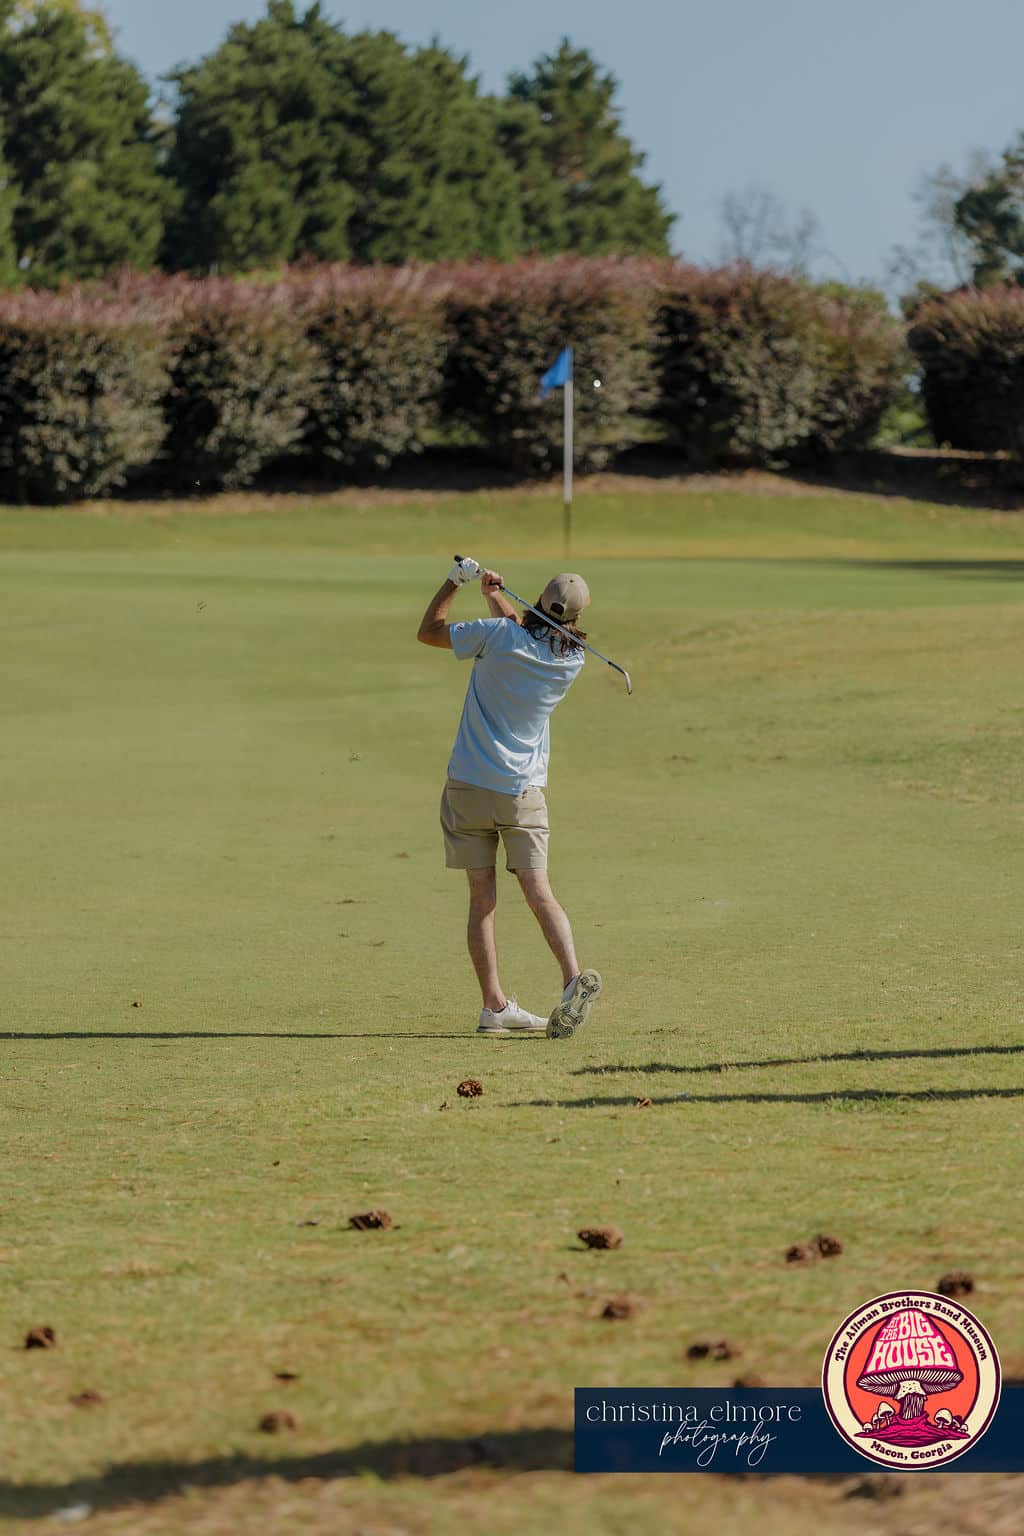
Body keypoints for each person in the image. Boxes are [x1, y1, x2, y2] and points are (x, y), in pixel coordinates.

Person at [417, 556, 602, 1039]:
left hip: (468, 785)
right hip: (520, 791)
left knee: (482, 899)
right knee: (539, 891)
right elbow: (526, 636)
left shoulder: (496, 636)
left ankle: (493, 1006)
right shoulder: (572, 661)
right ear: (576, 619)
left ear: (539, 600)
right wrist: (495, 598)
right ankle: (571, 980)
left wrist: (457, 581)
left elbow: (430, 631)